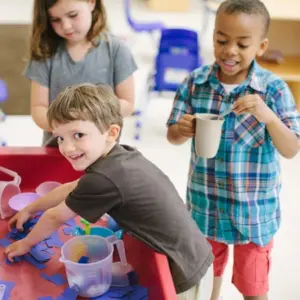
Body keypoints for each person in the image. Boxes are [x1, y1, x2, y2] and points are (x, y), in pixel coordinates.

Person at [5, 84, 214, 300]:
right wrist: (31, 208)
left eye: (78, 135)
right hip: (195, 254)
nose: (67, 147)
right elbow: (72, 187)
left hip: (183, 272)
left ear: (111, 132)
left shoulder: (103, 179)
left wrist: (25, 244)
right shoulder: (119, 157)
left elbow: (55, 216)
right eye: (60, 137)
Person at [166, 1, 300, 300]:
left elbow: (291, 149)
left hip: (253, 216)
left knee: (253, 290)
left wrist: (268, 116)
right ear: (212, 35)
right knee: (200, 286)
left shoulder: (274, 90)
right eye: (221, 40)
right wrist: (182, 129)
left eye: (242, 44)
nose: (230, 51)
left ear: (261, 46)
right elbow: (172, 135)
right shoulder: (195, 83)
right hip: (205, 209)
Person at [25, 0, 137, 145]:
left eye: (73, 15)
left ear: (91, 3)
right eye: (55, 20)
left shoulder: (116, 49)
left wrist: (88, 118)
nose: (66, 26)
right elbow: (38, 108)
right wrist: (68, 127)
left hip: (103, 152)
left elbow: (127, 103)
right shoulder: (45, 53)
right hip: (58, 151)